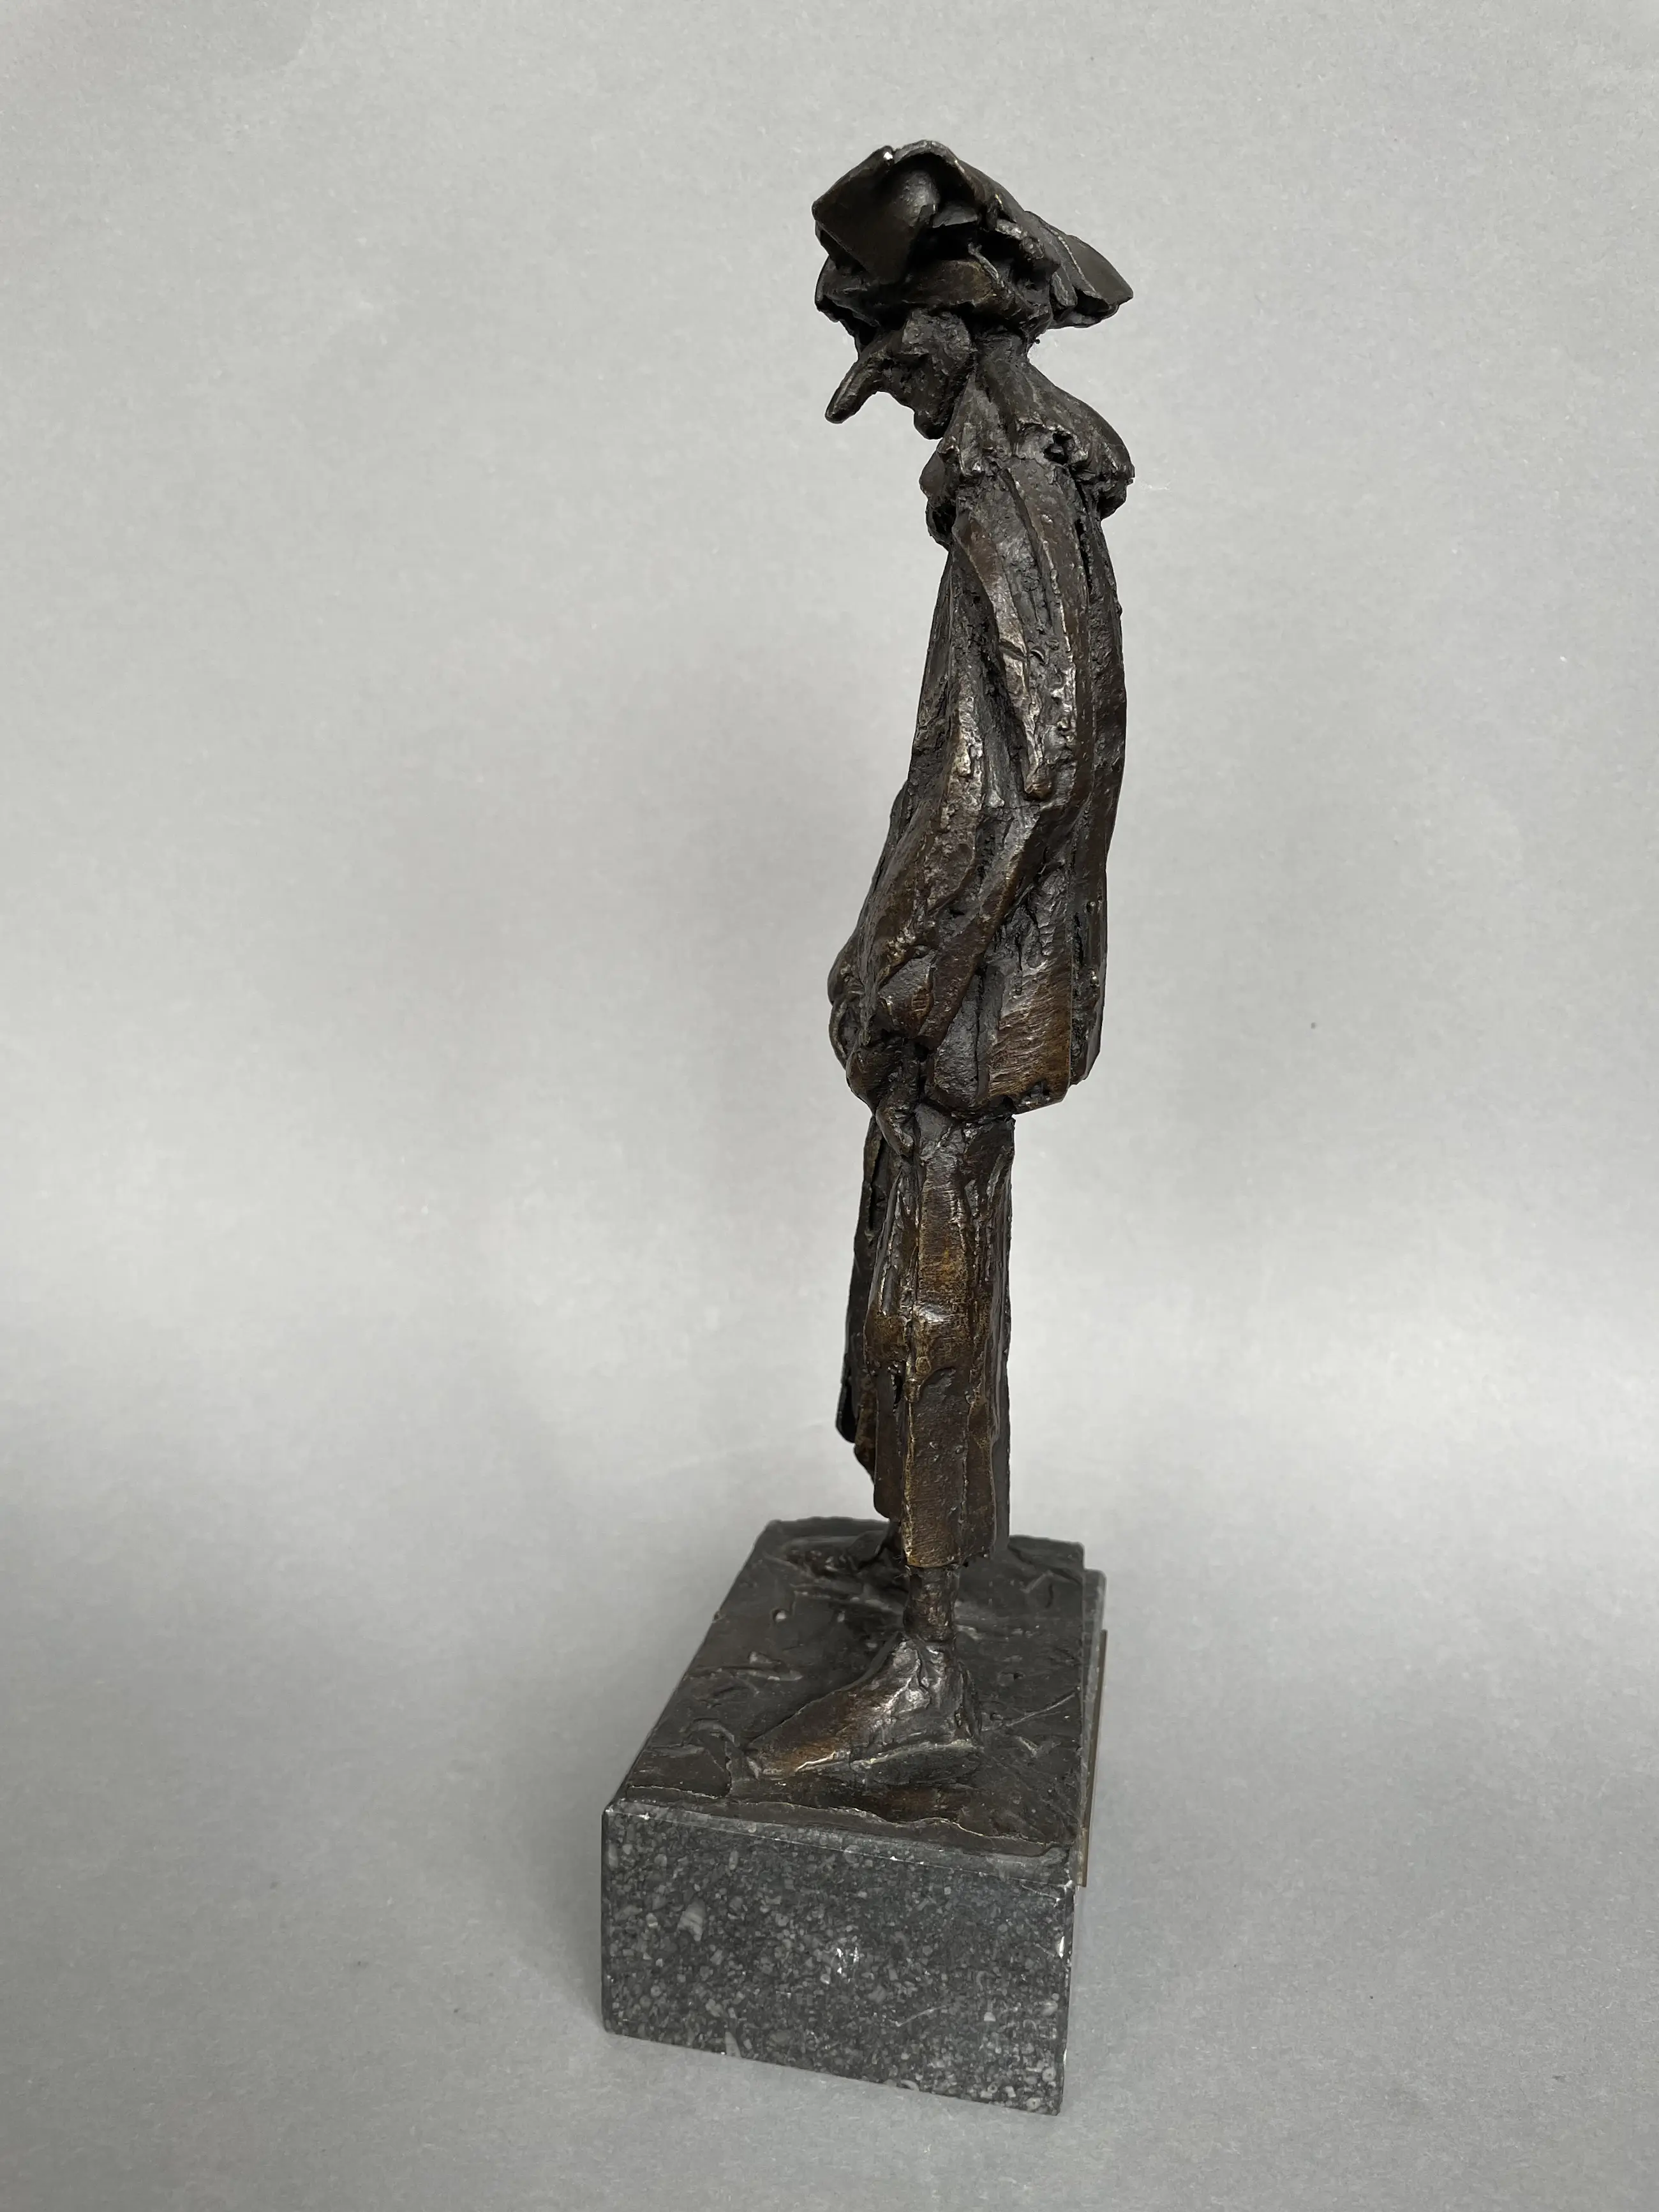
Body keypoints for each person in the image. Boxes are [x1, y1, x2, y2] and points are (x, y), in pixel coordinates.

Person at [748, 145, 1134, 1782]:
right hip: (974, 968)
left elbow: (1028, 773)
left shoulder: (1007, 497)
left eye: (891, 355)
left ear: (947, 329)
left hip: (967, 984)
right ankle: (921, 1566)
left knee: (930, 1288)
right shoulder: (1022, 476)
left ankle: (930, 1653)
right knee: (923, 1271)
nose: (887, 391)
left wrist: (895, 977)